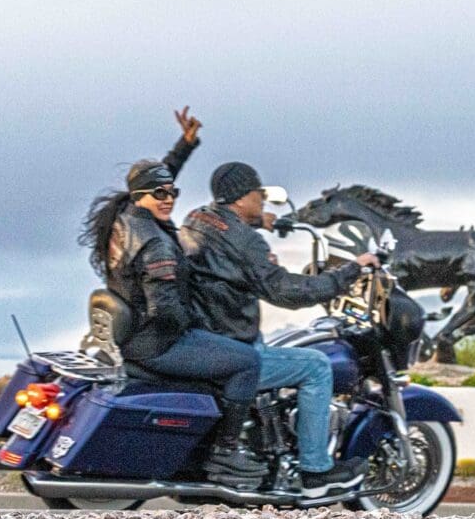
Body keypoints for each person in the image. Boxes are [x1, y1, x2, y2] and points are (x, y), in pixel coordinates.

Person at [78, 109, 268, 480]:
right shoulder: (156, 245)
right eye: (160, 194)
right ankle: (225, 453)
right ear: (141, 195)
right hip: (159, 342)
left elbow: (157, 179)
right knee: (247, 361)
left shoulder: (128, 217)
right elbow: (166, 309)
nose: (168, 199)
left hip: (134, 336)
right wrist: (201, 323)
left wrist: (185, 145)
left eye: (173, 192)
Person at [180, 162, 377, 497]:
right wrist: (347, 273)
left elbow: (233, 237)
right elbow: (286, 291)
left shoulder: (197, 219)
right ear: (242, 197)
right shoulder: (246, 241)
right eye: (260, 195)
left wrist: (264, 223)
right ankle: (316, 472)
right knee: (315, 365)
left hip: (206, 336)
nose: (264, 202)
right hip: (234, 344)